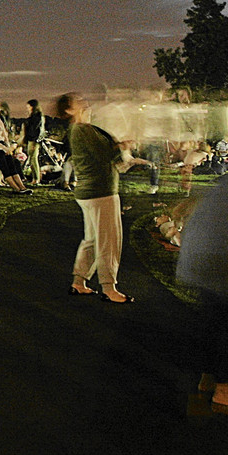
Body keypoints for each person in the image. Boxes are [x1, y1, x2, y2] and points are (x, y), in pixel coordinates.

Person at [58, 92, 133, 303]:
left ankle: (79, 282)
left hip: (90, 193)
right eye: (78, 102)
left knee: (91, 240)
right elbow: (105, 155)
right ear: (69, 110)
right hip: (100, 192)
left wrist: (119, 146)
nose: (84, 103)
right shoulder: (82, 129)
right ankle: (109, 289)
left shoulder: (80, 130)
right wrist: (122, 147)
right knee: (109, 240)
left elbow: (104, 151)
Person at [176, 174, 228, 412]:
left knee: (214, 318)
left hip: (200, 253)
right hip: (217, 258)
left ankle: (207, 379)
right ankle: (223, 390)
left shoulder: (224, 182)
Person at [23, 99, 47, 184]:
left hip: (33, 140)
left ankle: (36, 178)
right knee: (32, 159)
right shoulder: (34, 116)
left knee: (34, 159)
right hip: (31, 140)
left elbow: (36, 130)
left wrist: (34, 140)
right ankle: (34, 178)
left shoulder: (37, 116)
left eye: (29, 106)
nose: (27, 108)